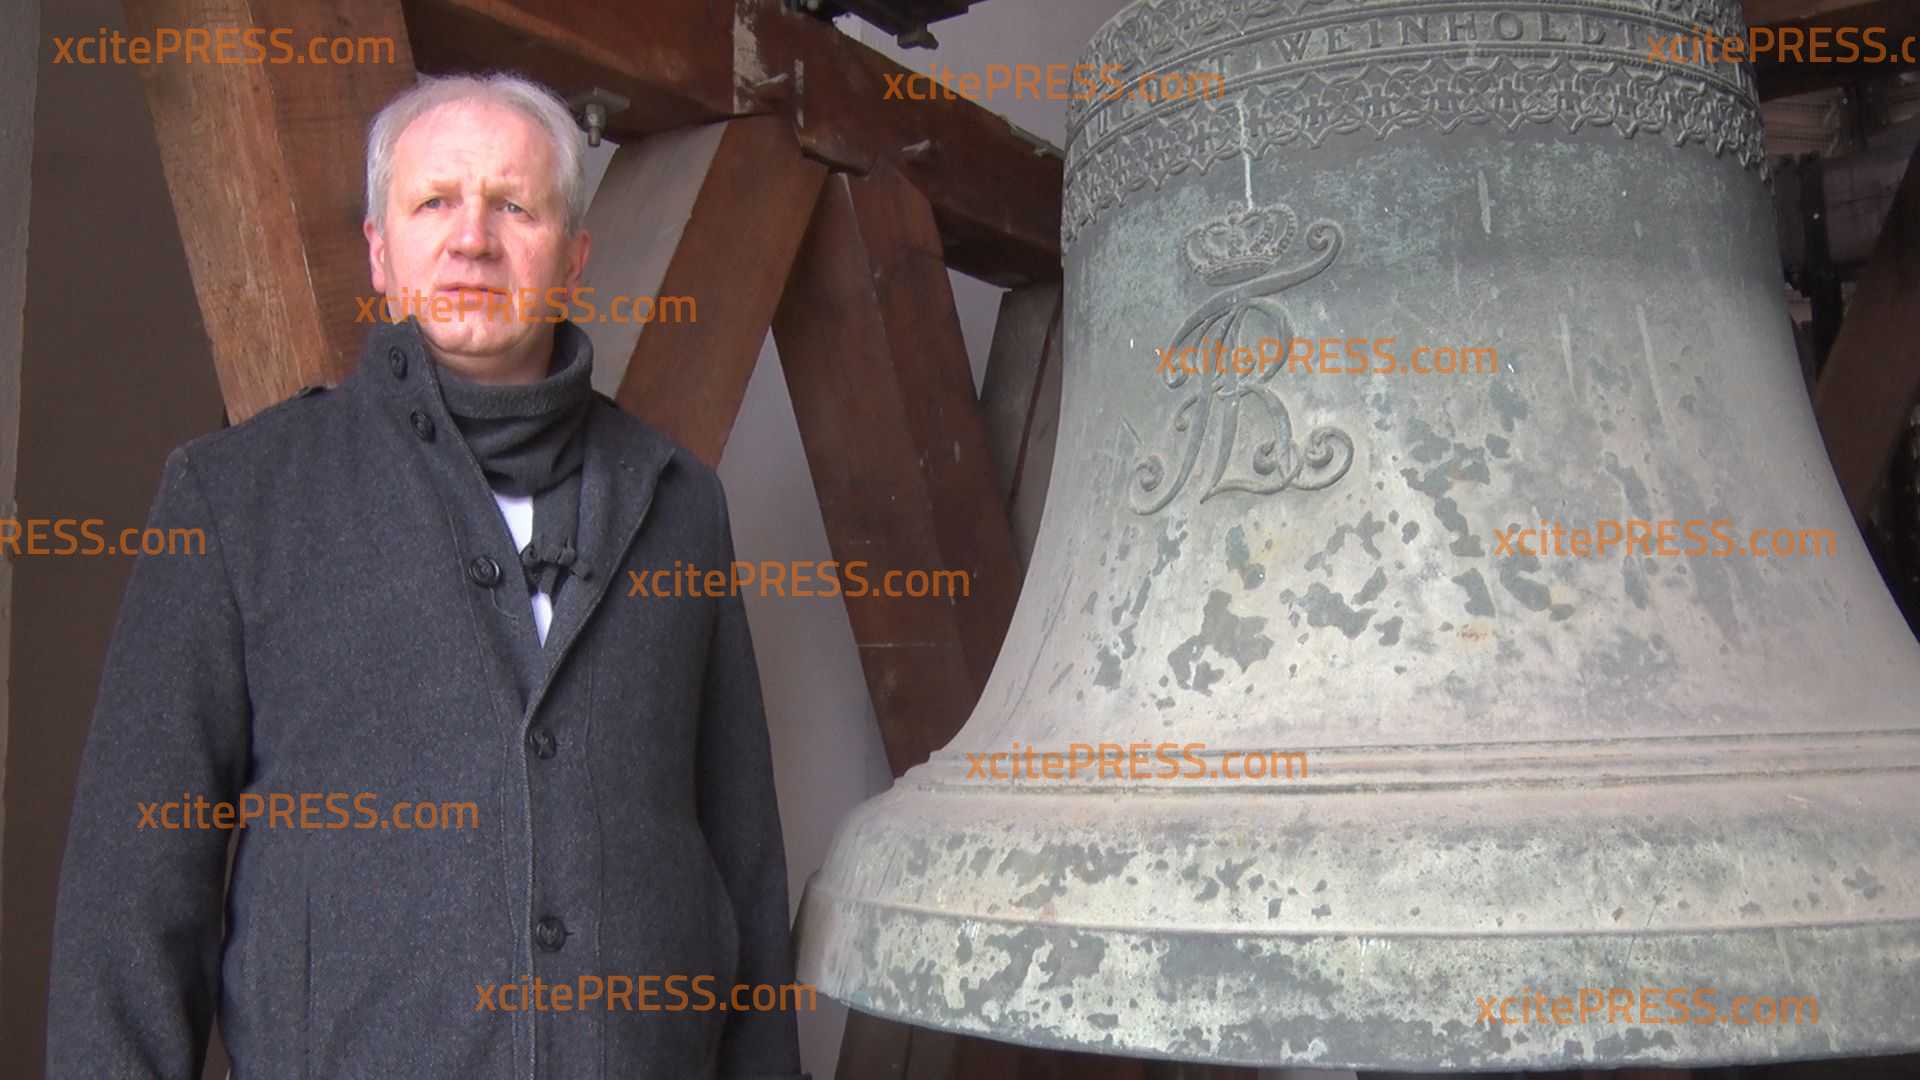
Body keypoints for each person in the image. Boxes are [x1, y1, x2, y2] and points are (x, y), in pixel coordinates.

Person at [45, 72, 807, 1079]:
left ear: (574, 257)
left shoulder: (678, 503)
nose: (472, 240)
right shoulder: (237, 496)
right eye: (434, 202)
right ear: (381, 251)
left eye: (514, 206)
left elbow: (742, 857)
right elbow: (133, 890)